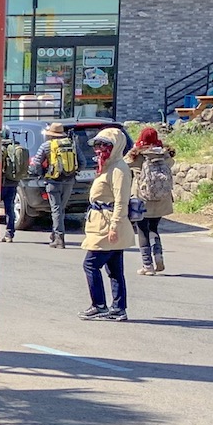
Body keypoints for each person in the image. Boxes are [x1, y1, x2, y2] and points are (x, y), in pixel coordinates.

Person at [81, 127, 134, 320]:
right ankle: (118, 308)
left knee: (90, 265)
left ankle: (99, 305)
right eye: (97, 145)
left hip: (108, 223)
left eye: (105, 145)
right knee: (114, 269)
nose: (99, 149)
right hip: (100, 221)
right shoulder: (108, 165)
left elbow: (122, 200)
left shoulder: (119, 169)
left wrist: (115, 226)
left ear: (116, 146)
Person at [126, 125, 175, 274]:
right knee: (154, 228)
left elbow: (124, 163)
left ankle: (147, 265)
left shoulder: (137, 157)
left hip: (142, 199)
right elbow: (171, 164)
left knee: (142, 231)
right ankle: (158, 256)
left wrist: (135, 149)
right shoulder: (165, 156)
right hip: (161, 198)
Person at [27, 122, 75, 248]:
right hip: (69, 181)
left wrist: (42, 175)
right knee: (61, 209)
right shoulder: (72, 145)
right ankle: (55, 235)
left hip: (53, 182)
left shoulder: (46, 146)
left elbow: (37, 163)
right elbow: (82, 162)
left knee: (56, 209)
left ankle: (59, 238)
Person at [0, 134, 28, 241]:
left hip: (0, 183)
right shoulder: (15, 147)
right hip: (13, 182)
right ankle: (9, 234)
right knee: (9, 208)